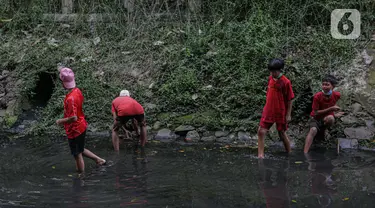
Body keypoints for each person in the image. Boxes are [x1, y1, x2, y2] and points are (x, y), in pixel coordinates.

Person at [56, 67, 106, 174]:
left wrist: (61, 121)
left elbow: (73, 118)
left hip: (75, 129)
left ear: (63, 83)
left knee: (77, 154)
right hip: (81, 125)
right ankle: (99, 160)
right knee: (80, 149)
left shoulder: (70, 98)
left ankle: (80, 178)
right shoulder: (77, 91)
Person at [258, 58, 295, 158]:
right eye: (271, 71)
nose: (273, 73)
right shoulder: (270, 78)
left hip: (280, 110)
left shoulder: (285, 82)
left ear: (280, 70)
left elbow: (290, 99)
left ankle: (289, 153)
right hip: (269, 109)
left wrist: (288, 114)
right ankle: (260, 156)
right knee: (261, 131)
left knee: (281, 133)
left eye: (275, 71)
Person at [304, 75, 344, 153]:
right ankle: (305, 153)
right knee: (313, 130)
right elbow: (315, 112)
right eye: (323, 84)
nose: (324, 86)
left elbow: (334, 104)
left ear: (333, 86)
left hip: (327, 117)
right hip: (315, 118)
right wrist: (331, 109)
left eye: (327, 84)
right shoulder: (317, 96)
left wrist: (334, 113)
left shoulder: (337, 95)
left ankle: (324, 130)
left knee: (331, 119)